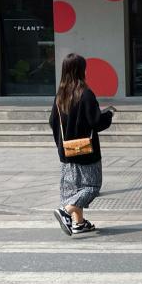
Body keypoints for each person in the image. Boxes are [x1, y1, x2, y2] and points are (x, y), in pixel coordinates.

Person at [49, 53, 114, 236]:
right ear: (81, 70)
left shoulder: (60, 96)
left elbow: (52, 121)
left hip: (67, 150)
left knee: (73, 188)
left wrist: (62, 145)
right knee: (91, 186)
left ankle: (79, 223)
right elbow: (96, 122)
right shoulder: (85, 94)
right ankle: (66, 211)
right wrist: (108, 116)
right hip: (86, 150)